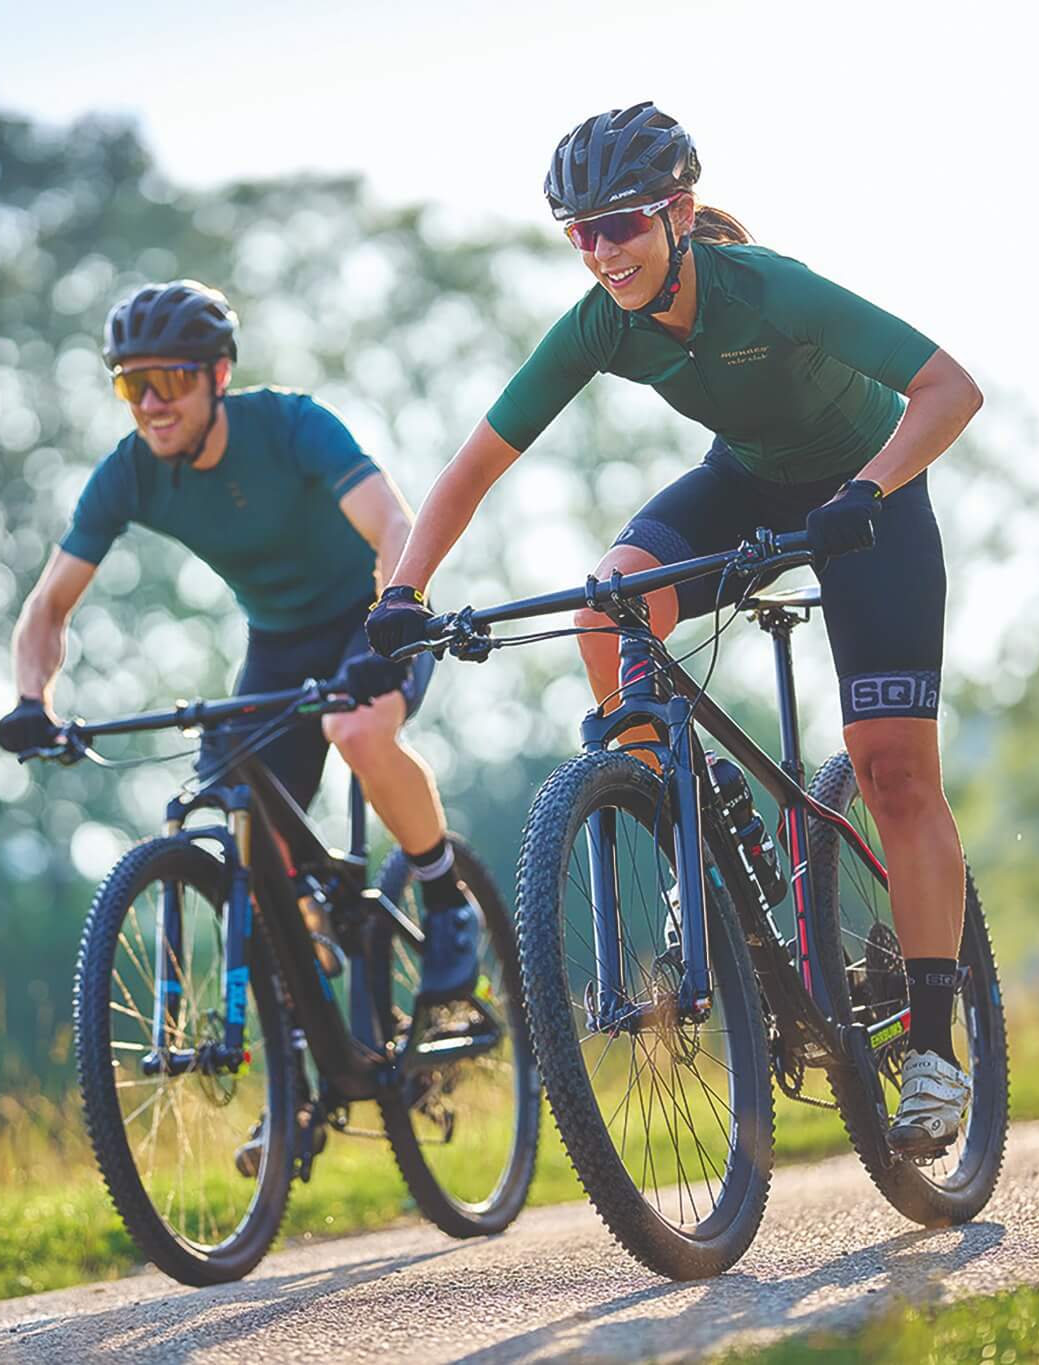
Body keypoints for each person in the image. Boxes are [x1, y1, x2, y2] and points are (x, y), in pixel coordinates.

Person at [364, 103, 985, 1156]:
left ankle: (931, 1051)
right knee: (606, 600)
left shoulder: (765, 289)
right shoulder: (599, 324)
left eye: (620, 226)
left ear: (677, 214)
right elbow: (472, 467)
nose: (600, 252)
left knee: (891, 772)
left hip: (866, 499)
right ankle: (665, 804)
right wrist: (403, 592)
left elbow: (948, 389)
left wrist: (870, 489)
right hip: (744, 485)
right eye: (578, 233)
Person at [0, 280, 479, 1008]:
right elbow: (47, 605)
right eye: (132, 385)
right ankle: (298, 1057)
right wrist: (32, 699)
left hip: (374, 612)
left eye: (169, 381)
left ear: (219, 375)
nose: (151, 404)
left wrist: (391, 625)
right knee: (244, 808)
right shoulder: (129, 473)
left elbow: (393, 528)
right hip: (278, 640)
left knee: (355, 729)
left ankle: (446, 900)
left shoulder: (290, 425)